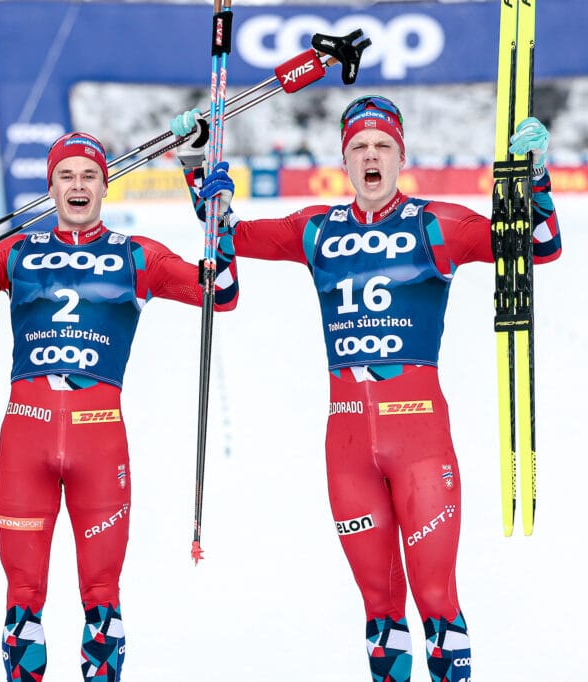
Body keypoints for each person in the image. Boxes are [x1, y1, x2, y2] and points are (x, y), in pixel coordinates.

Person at [170, 97, 561, 682]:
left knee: (435, 598)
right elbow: (226, 236)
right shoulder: (316, 230)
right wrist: (199, 169)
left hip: (421, 440)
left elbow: (536, 248)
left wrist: (533, 179)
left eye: (382, 146)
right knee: (380, 610)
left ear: (401, 157)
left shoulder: (440, 224)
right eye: (359, 148)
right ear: (344, 161)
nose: (370, 156)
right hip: (348, 447)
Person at [0, 132, 239, 682]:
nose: (78, 185)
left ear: (104, 187)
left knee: (102, 597)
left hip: (99, 437)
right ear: (52, 185)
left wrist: (217, 214)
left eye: (89, 176)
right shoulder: (17, 252)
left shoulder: (138, 256)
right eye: (67, 175)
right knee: (22, 598)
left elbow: (220, 291)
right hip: (25, 438)